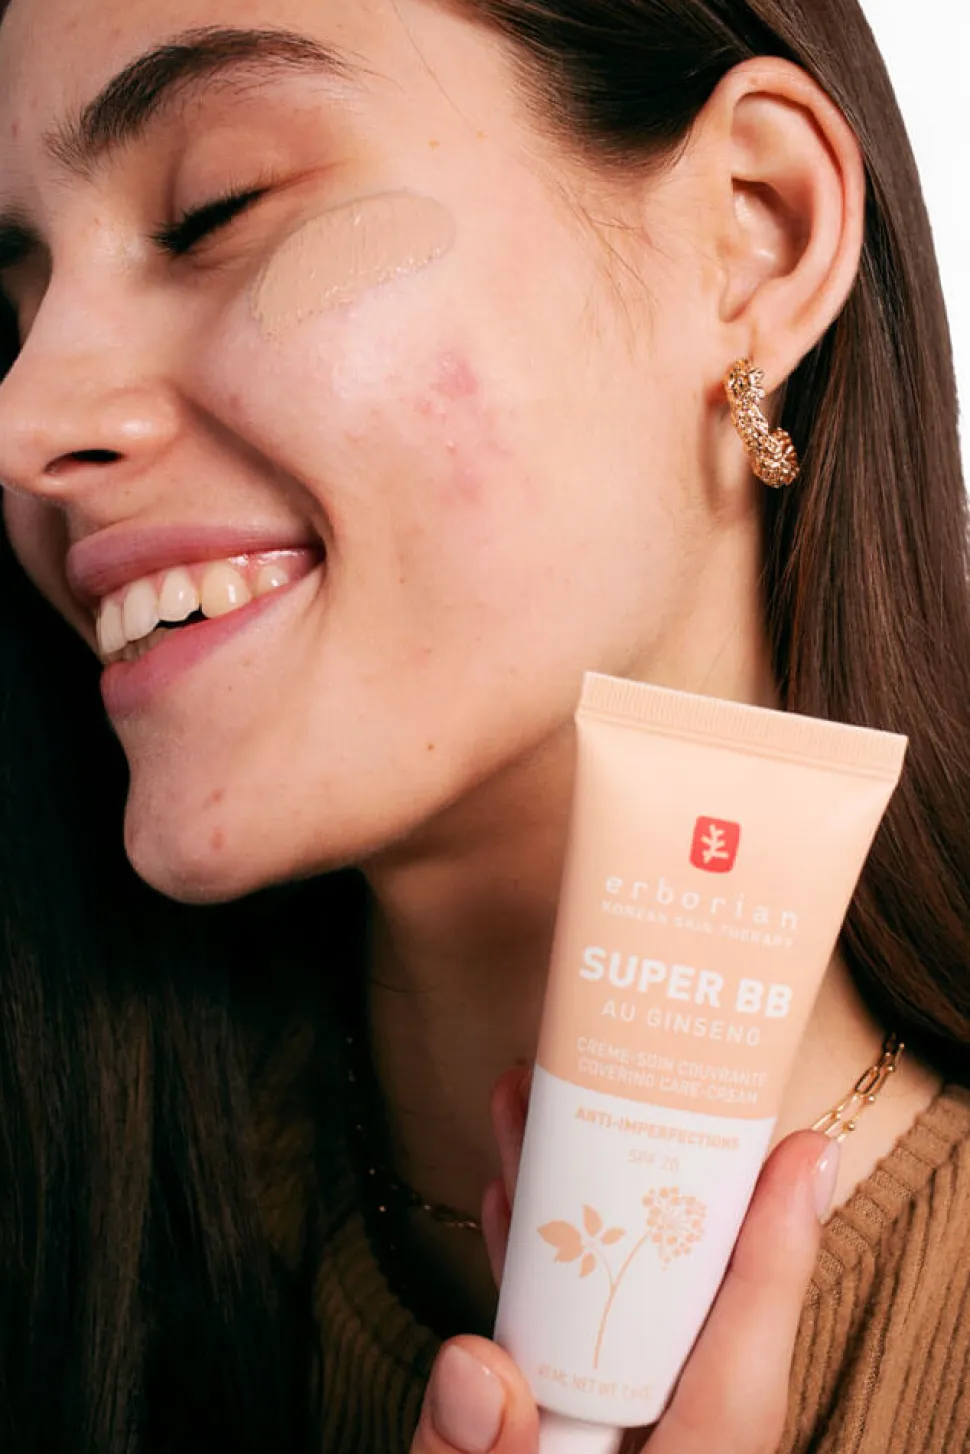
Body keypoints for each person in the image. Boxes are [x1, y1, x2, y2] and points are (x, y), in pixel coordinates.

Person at [0, 0, 968, 1451]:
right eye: (10, 311)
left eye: (216, 210)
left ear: (753, 234)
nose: (24, 423)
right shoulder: (59, 1241)